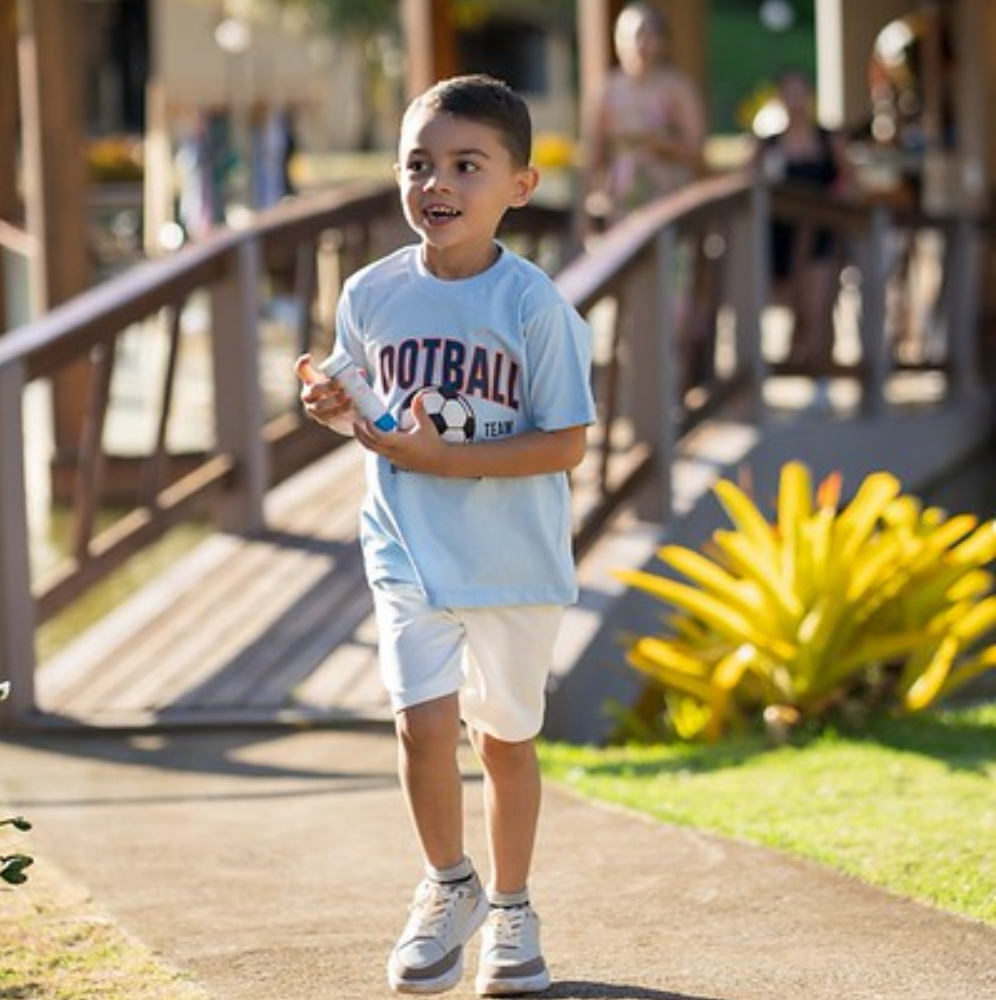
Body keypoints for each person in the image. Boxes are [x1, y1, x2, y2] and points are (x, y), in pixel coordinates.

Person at [295, 75, 596, 996]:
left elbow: (568, 443)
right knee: (421, 726)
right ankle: (448, 884)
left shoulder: (536, 307)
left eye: (467, 165)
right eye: (420, 164)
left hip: (511, 561)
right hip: (406, 543)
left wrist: (445, 462)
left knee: (502, 741)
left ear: (520, 185)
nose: (439, 183)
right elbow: (368, 410)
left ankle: (512, 907)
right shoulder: (370, 293)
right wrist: (328, 405)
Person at [755, 68, 855, 374]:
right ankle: (798, 365)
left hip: (821, 233)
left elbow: (851, 181)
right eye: (788, 93)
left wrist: (835, 204)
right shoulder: (769, 144)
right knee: (793, 306)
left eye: (800, 94)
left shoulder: (827, 140)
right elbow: (745, 182)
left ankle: (820, 373)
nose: (795, 101)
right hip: (780, 236)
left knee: (818, 303)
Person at [583, 1, 706, 231]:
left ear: (662, 41)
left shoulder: (677, 88)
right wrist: (585, 208)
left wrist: (659, 144)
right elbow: (594, 155)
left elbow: (696, 151)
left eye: (646, 35)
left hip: (668, 199)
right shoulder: (606, 90)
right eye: (628, 36)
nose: (637, 45)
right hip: (621, 203)